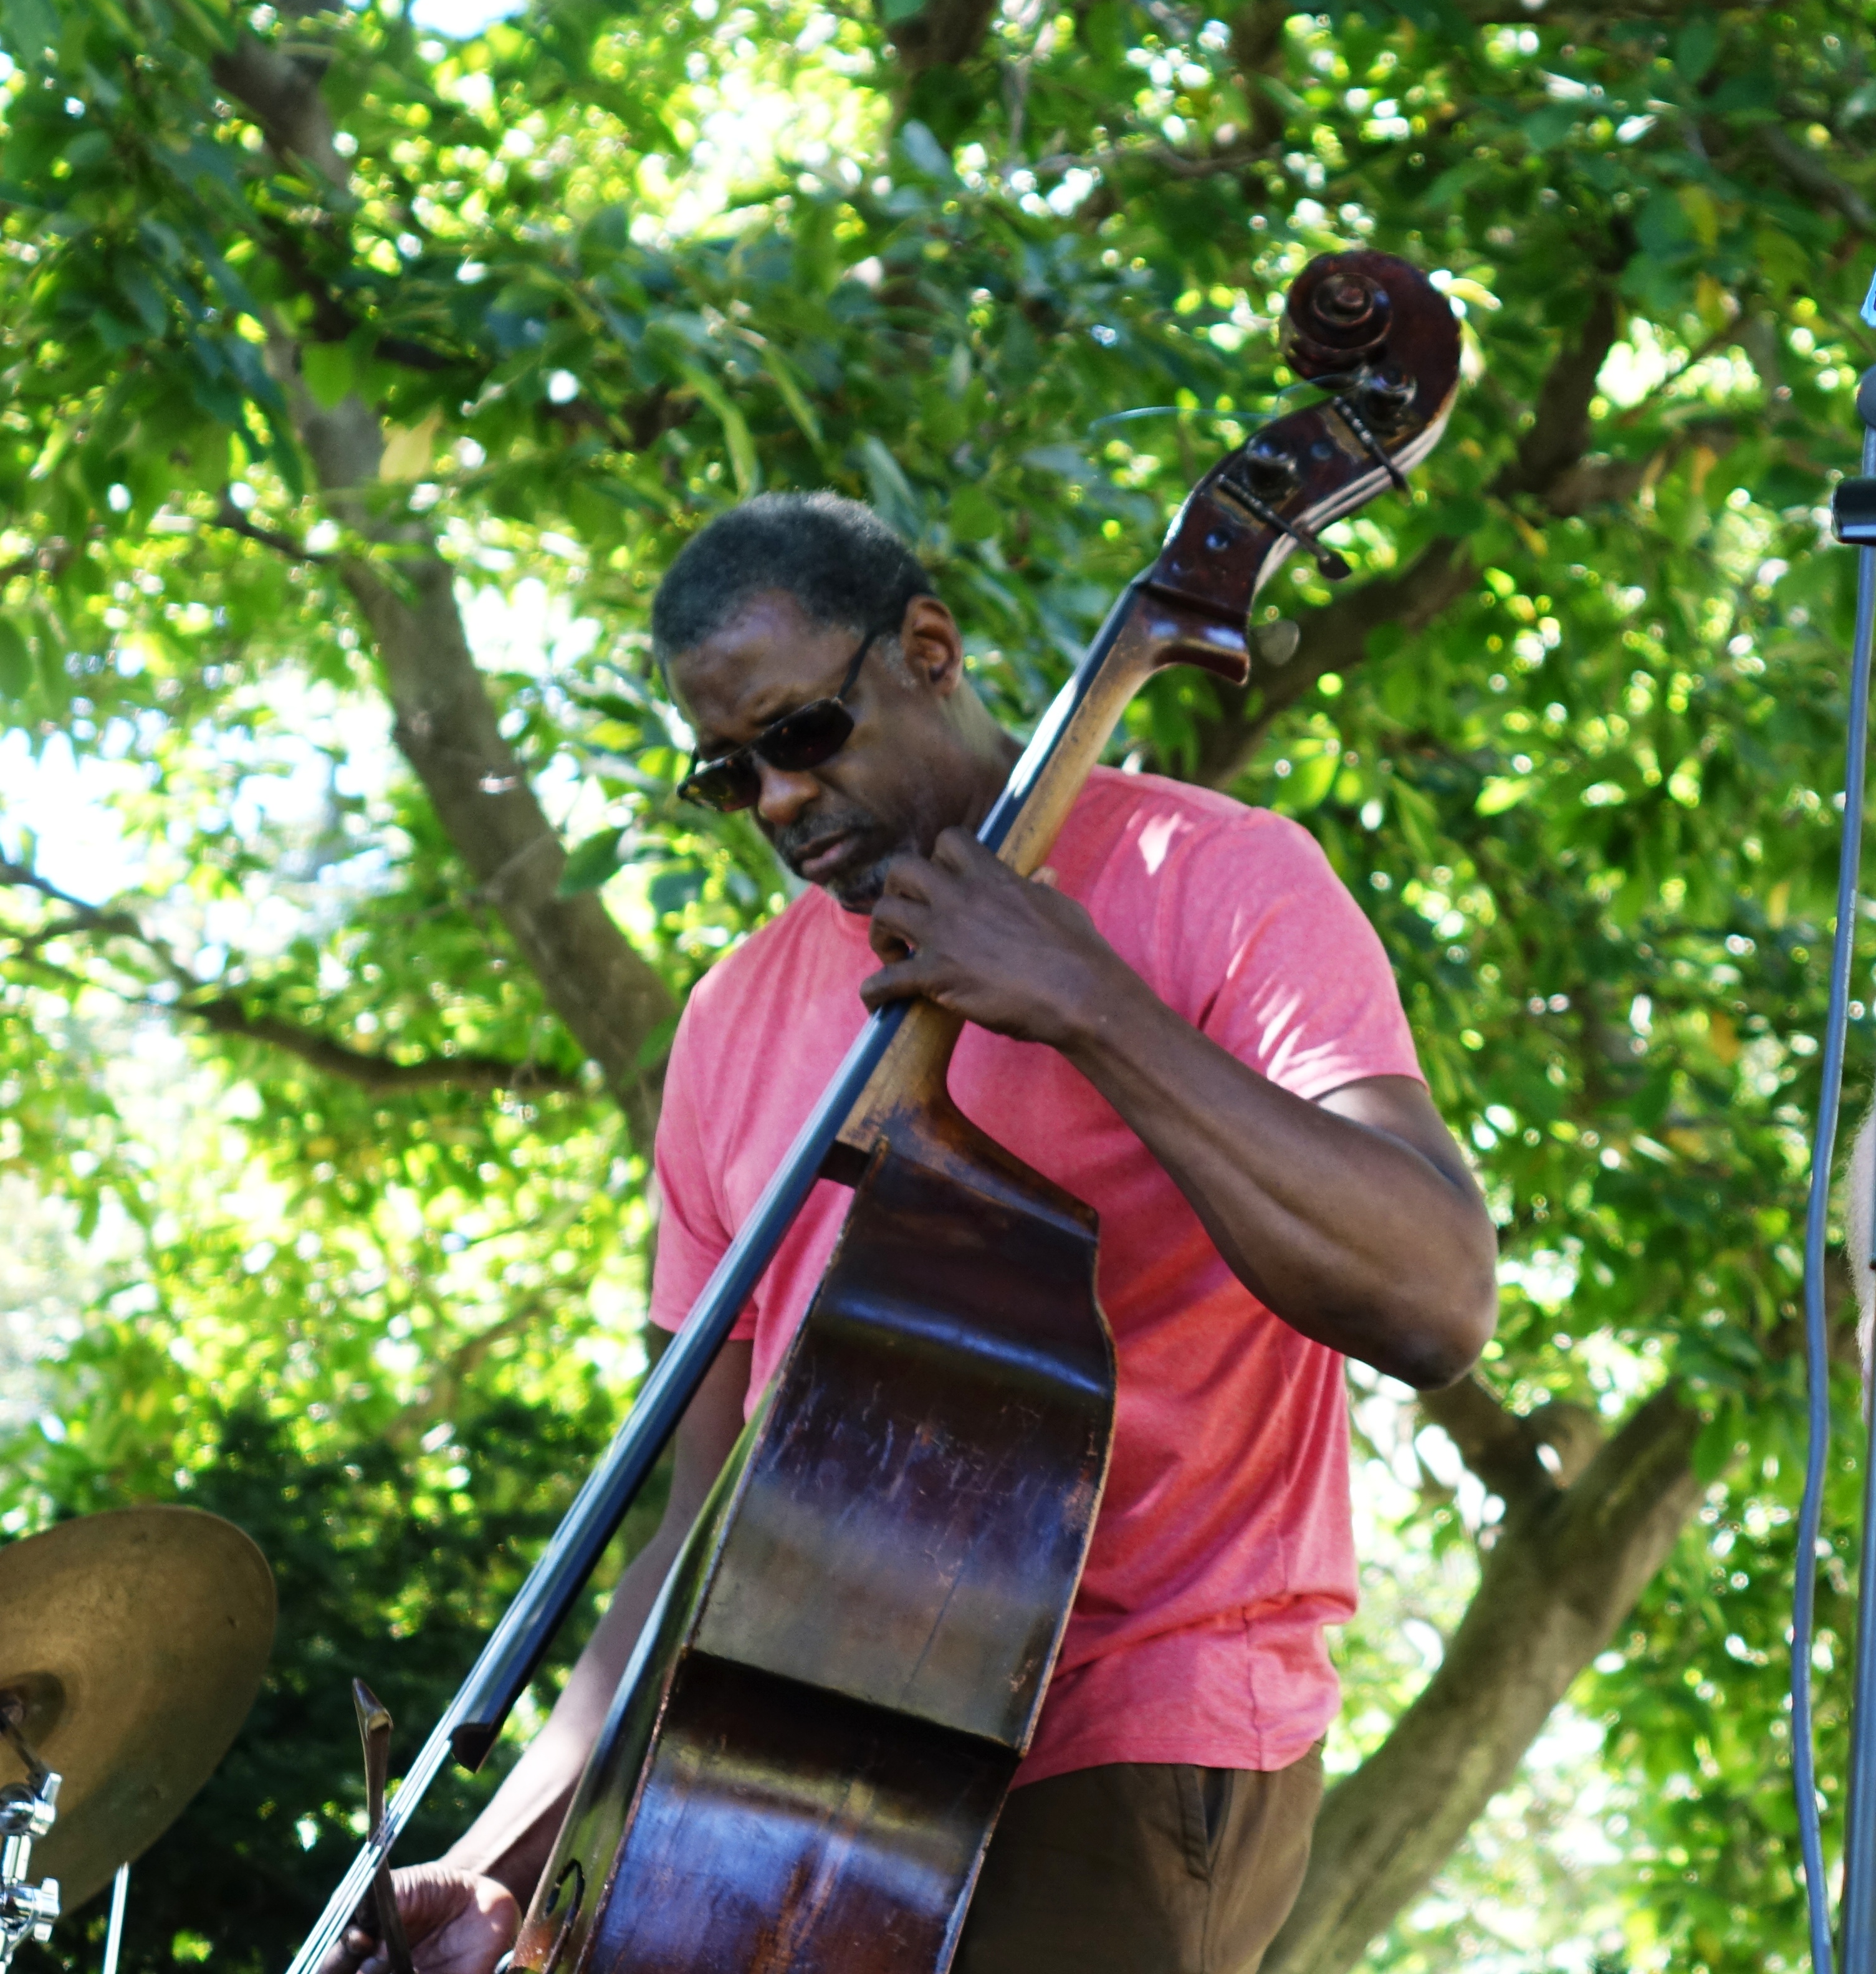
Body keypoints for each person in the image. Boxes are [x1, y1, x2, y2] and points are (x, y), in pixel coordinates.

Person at [353, 492, 1500, 1974]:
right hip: (809, 1763)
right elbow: (701, 1527)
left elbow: (1434, 1295)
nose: (772, 799)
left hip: (1138, 1716)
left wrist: (1088, 1000)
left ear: (929, 649)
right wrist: (500, 1856)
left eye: (802, 734)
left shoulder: (1215, 881)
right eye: (726, 773)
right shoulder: (728, 1023)